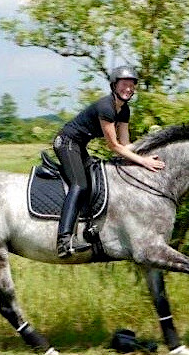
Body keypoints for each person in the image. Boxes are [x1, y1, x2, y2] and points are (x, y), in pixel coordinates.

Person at [53, 65, 165, 258]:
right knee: (79, 185)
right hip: (66, 143)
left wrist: (147, 154)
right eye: (124, 85)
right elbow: (113, 146)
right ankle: (64, 240)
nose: (128, 89)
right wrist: (143, 162)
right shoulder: (106, 107)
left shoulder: (125, 110)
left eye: (132, 85)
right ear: (114, 85)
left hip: (79, 147)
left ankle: (89, 227)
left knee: (97, 181)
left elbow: (126, 144)